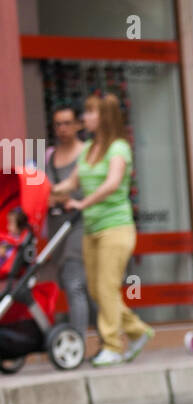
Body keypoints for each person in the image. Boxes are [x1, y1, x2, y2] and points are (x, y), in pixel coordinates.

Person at [50, 92, 154, 367]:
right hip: (91, 229)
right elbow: (70, 183)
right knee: (96, 290)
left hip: (115, 228)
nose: (85, 117)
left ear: (104, 116)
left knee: (107, 288)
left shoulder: (118, 147)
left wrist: (83, 202)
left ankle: (112, 345)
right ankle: (137, 331)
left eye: (90, 112)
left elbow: (112, 183)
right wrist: (45, 192)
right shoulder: (88, 149)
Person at [45, 103, 91, 337]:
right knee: (68, 282)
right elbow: (45, 192)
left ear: (76, 125)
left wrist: (57, 196)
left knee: (75, 283)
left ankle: (78, 340)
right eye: (58, 124)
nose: (62, 128)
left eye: (66, 123)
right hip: (57, 230)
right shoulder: (50, 156)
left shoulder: (86, 154)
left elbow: (85, 190)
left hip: (79, 226)